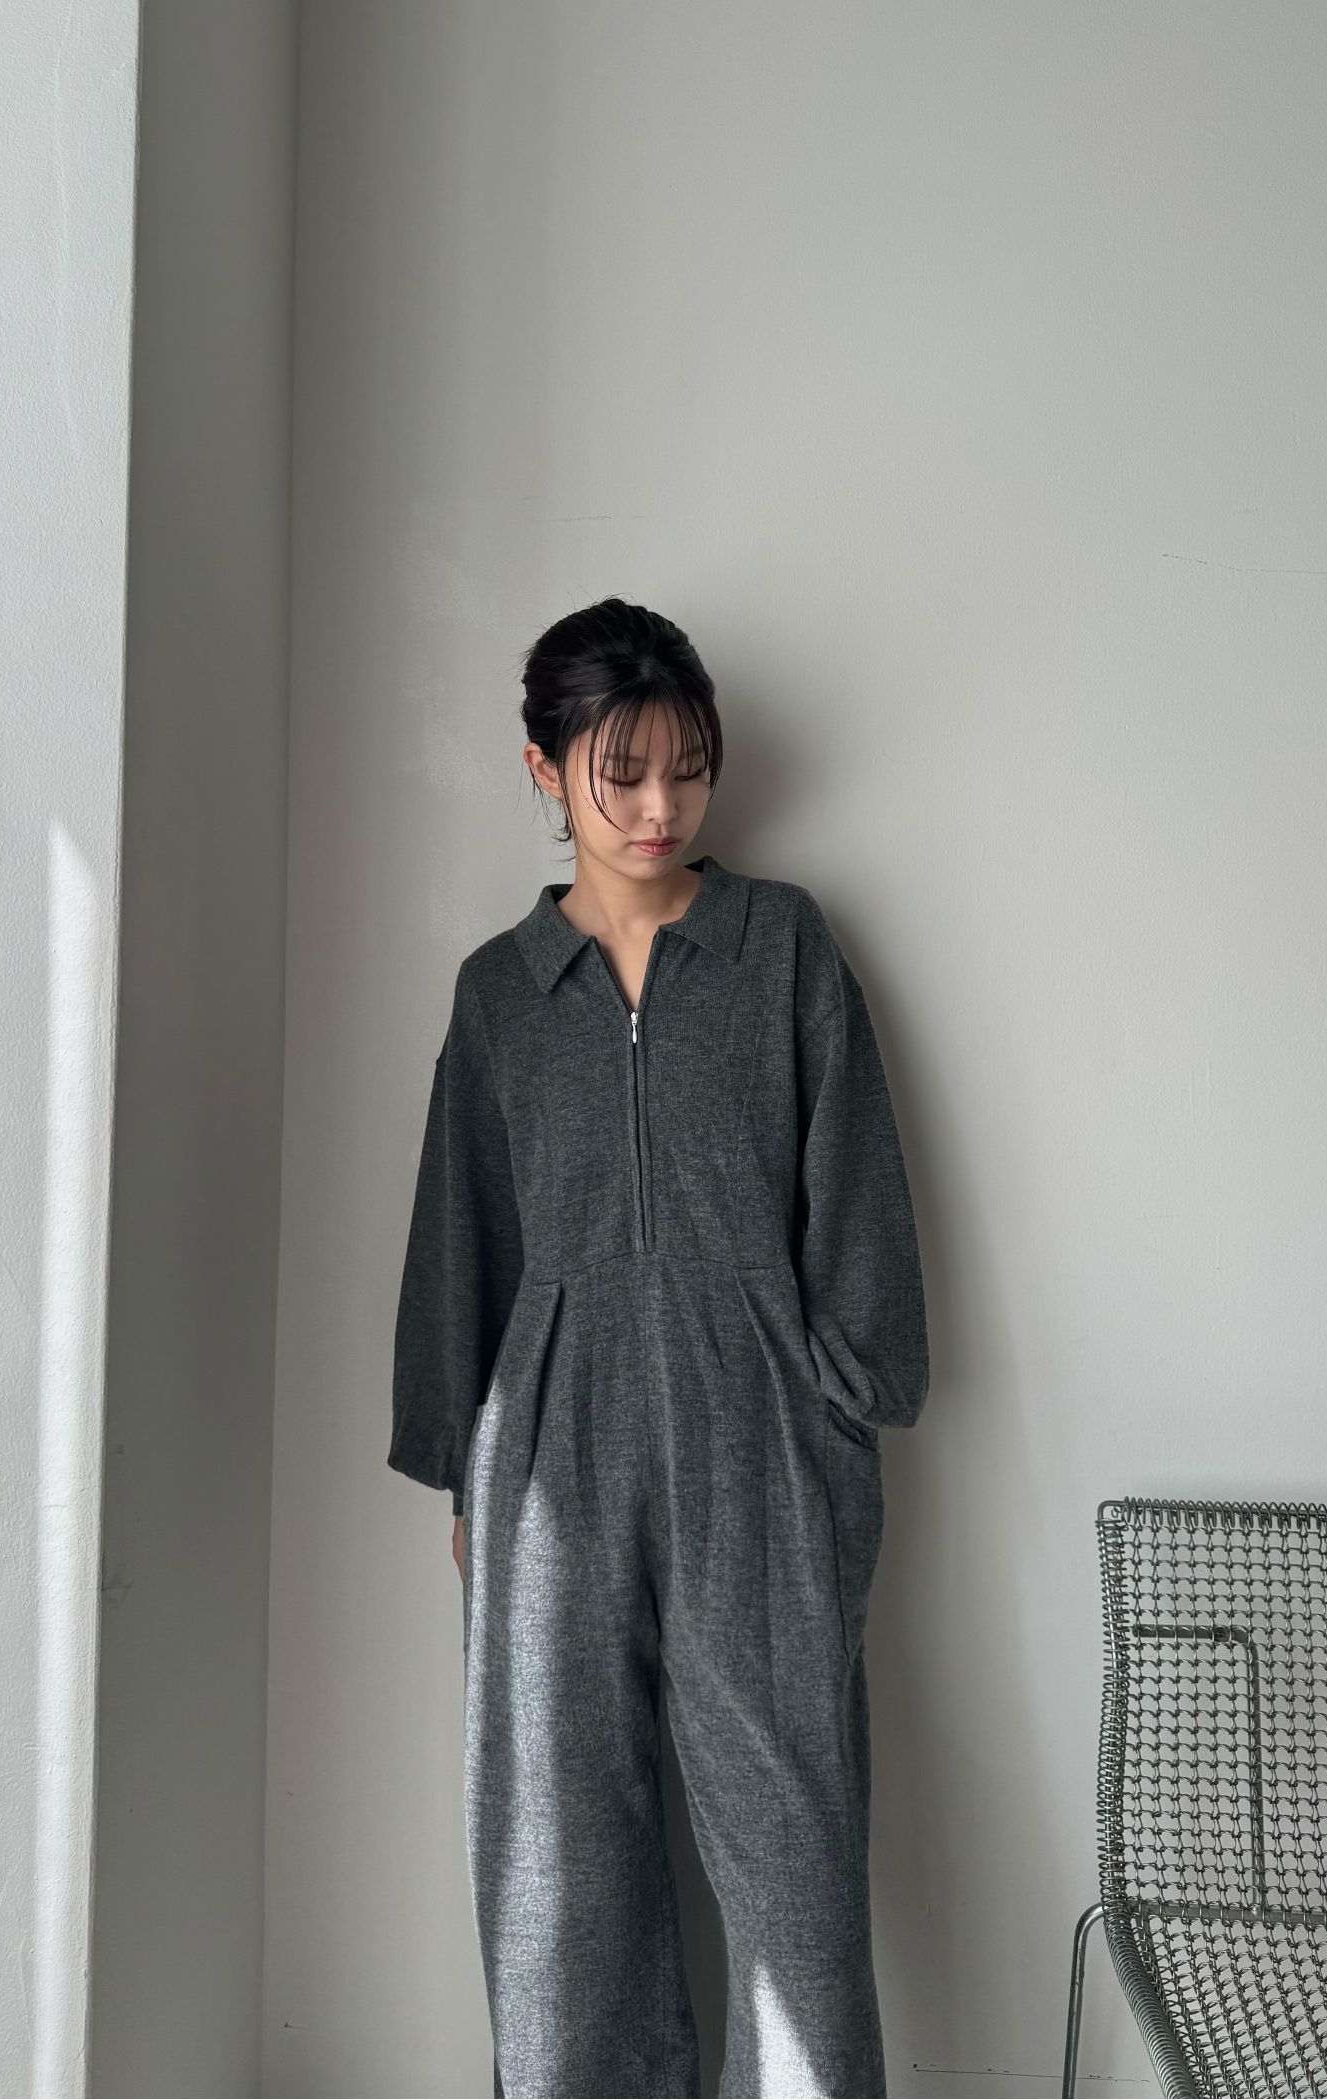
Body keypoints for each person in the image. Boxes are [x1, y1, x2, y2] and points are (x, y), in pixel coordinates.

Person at [389, 596, 930, 2099]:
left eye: (687, 770)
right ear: (543, 770)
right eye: (620, 773)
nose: (658, 808)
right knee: (556, 1865)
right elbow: (461, 1234)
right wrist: (464, 1471)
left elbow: (858, 1188)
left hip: (760, 1435)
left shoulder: (781, 947)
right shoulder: (502, 994)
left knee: (794, 1861)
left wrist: (839, 1401)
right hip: (550, 1449)